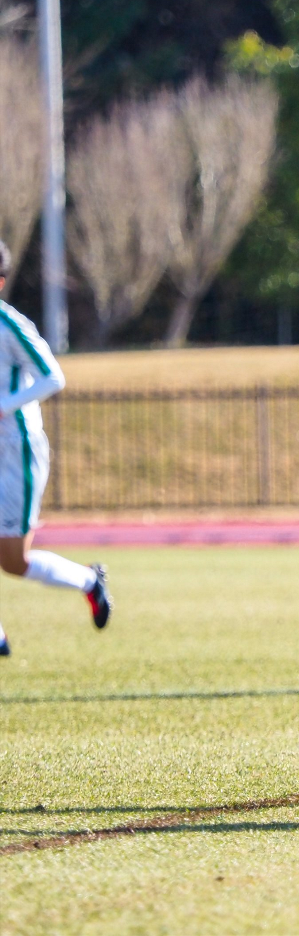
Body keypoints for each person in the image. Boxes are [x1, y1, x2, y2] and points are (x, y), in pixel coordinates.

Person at [0, 240, 112, 657]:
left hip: (16, 450)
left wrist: (5, 406)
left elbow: (53, 376)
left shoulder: (10, 325)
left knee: (14, 562)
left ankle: (89, 581)